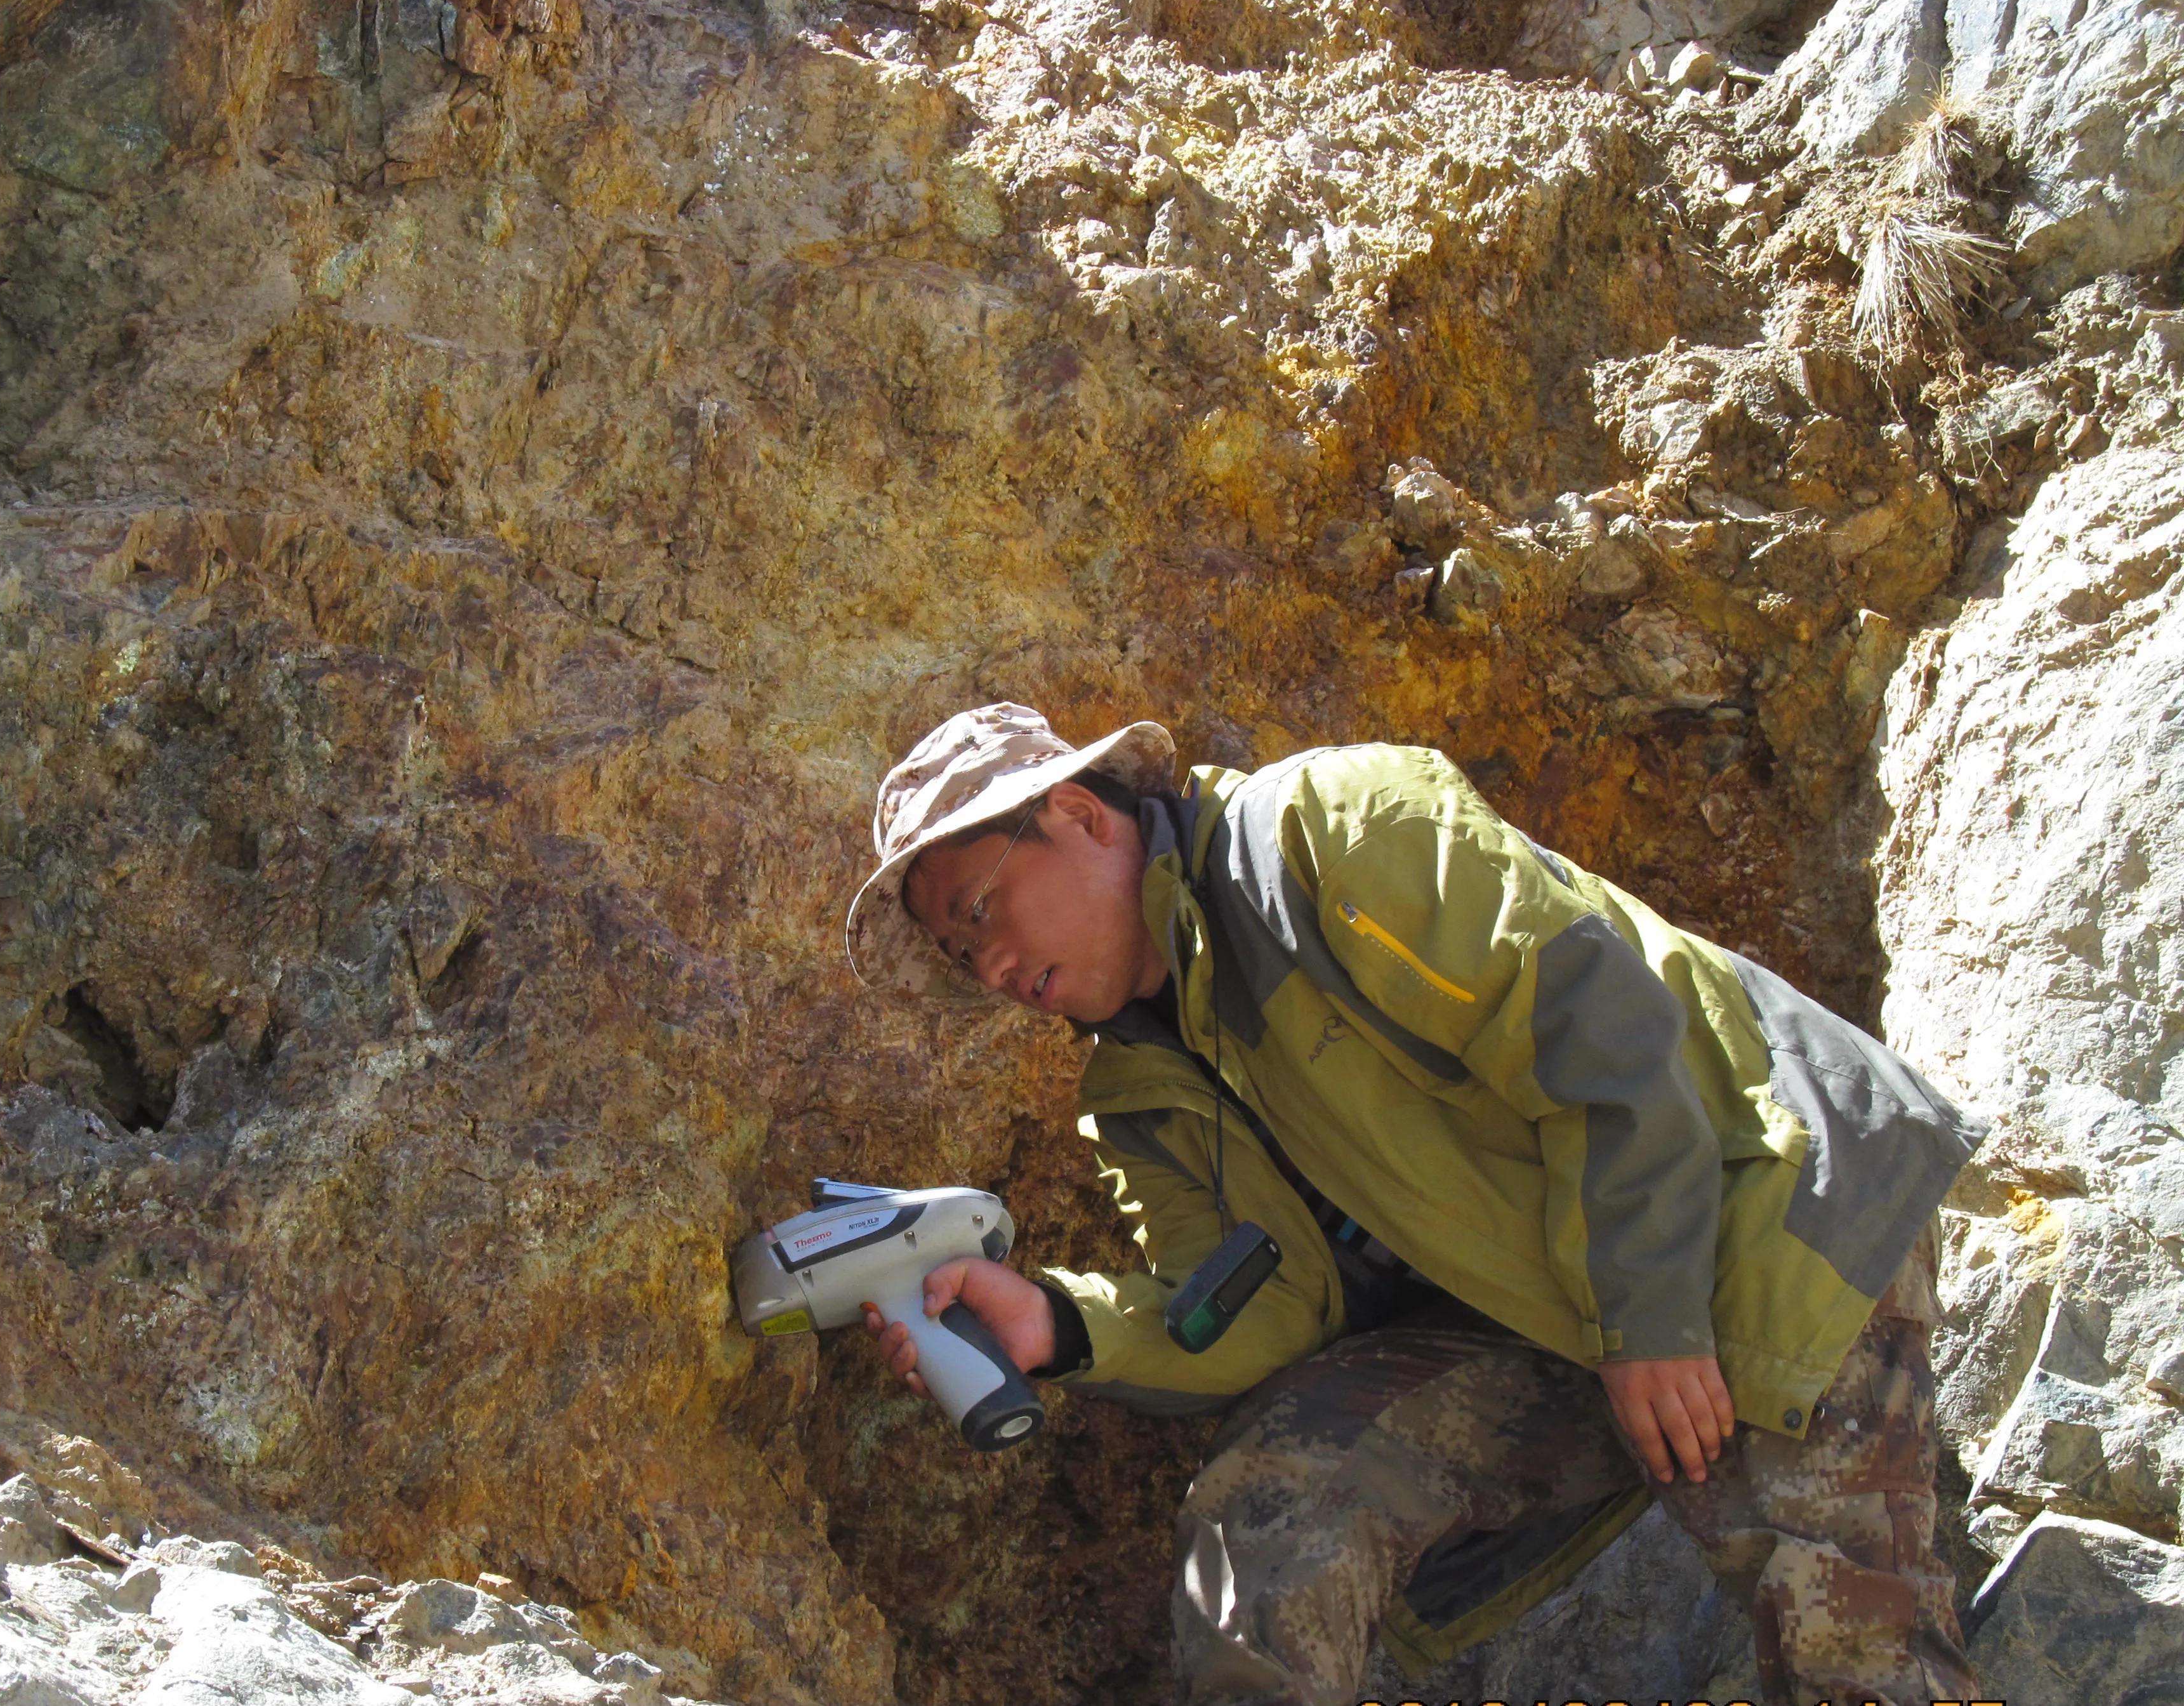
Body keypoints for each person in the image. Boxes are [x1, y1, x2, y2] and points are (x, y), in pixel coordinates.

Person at [841, 703, 1983, 1706]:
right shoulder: (1138, 1093)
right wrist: (1061, 1324)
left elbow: (1602, 1027)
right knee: (1271, 1507)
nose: (985, 966)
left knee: (1848, 1639)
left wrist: (1654, 1321)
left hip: (1767, 1202)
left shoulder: (1325, 831)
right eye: (956, 951)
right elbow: (1262, 1308)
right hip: (1556, 1317)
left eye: (983, 909)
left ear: (1081, 815)